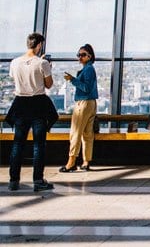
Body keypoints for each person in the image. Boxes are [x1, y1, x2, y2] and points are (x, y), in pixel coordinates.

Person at [6, 33, 58, 192]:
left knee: (18, 144)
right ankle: (38, 180)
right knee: (38, 145)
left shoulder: (14, 62)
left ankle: (14, 180)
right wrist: (47, 67)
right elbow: (48, 85)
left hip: (20, 104)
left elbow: (14, 79)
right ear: (39, 45)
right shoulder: (42, 63)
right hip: (38, 105)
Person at [60, 44, 98, 172]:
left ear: (90, 56)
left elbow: (86, 88)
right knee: (87, 133)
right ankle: (86, 161)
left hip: (83, 103)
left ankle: (71, 162)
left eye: (83, 55)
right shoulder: (90, 69)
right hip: (91, 103)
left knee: (75, 132)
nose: (80, 57)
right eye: (78, 55)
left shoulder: (88, 70)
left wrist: (72, 80)